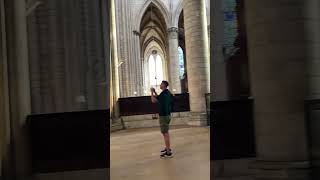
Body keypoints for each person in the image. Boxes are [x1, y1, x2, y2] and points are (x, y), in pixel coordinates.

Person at [150, 80, 174, 158]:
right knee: (165, 132)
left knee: (165, 133)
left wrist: (151, 92)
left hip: (163, 116)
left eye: (161, 84)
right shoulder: (167, 93)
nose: (160, 85)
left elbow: (153, 100)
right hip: (168, 115)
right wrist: (155, 93)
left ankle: (168, 153)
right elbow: (159, 99)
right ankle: (168, 148)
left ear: (164, 85)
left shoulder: (164, 94)